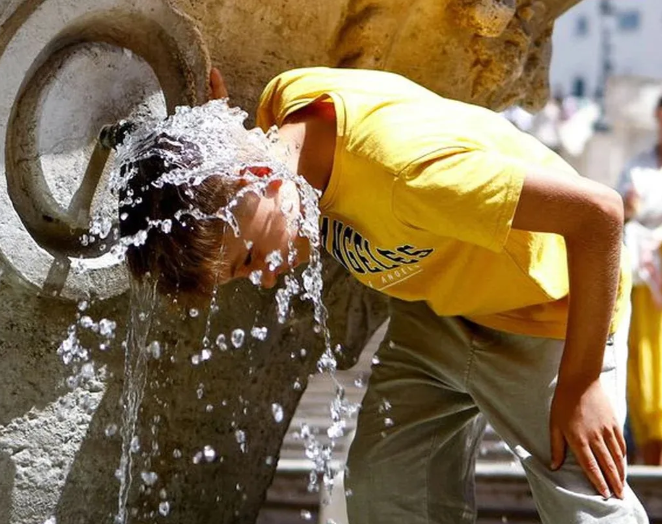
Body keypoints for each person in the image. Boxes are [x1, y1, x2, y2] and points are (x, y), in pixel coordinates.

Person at [113, 67, 648, 523]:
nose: (266, 279)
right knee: (387, 489)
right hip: (433, 318)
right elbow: (218, 163)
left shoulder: (409, 176)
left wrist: (580, 383)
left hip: (547, 318)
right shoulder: (281, 117)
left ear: (259, 177)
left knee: (588, 500)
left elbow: (599, 214)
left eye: (250, 260)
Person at [616, 95, 662, 466]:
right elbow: (619, 215)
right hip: (646, 288)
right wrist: (627, 210)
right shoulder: (638, 169)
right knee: (647, 385)